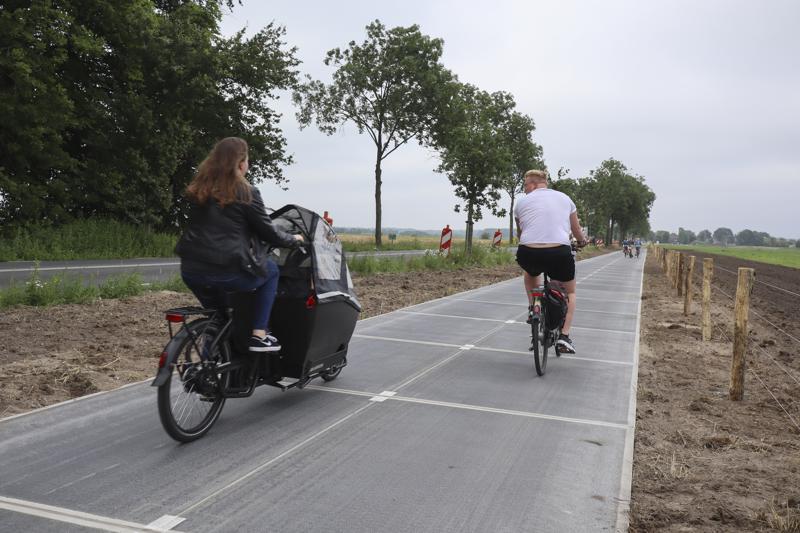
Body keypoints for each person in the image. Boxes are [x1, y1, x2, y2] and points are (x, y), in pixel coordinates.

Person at [176, 137, 303, 353]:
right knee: (271, 271)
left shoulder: (199, 188)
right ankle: (259, 334)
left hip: (191, 269)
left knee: (219, 317)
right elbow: (270, 233)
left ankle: (212, 359)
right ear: (240, 163)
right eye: (247, 161)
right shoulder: (246, 192)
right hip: (227, 270)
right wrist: (295, 239)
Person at [515, 169, 587, 354]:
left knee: (530, 273)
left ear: (532, 184)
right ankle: (564, 337)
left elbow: (521, 234)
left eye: (525, 186)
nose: (524, 190)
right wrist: (582, 241)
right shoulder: (565, 198)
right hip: (559, 252)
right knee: (570, 292)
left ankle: (533, 307)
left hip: (528, 251)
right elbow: (576, 229)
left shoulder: (521, 203)